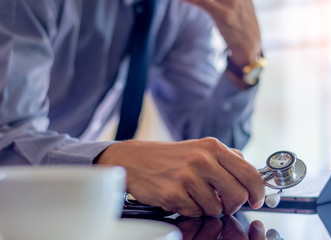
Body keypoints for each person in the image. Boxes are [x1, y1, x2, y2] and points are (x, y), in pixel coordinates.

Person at [0, 0, 265, 217]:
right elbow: (5, 140)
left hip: (60, 213)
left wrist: (245, 60)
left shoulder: (185, 11)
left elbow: (220, 157)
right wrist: (114, 161)